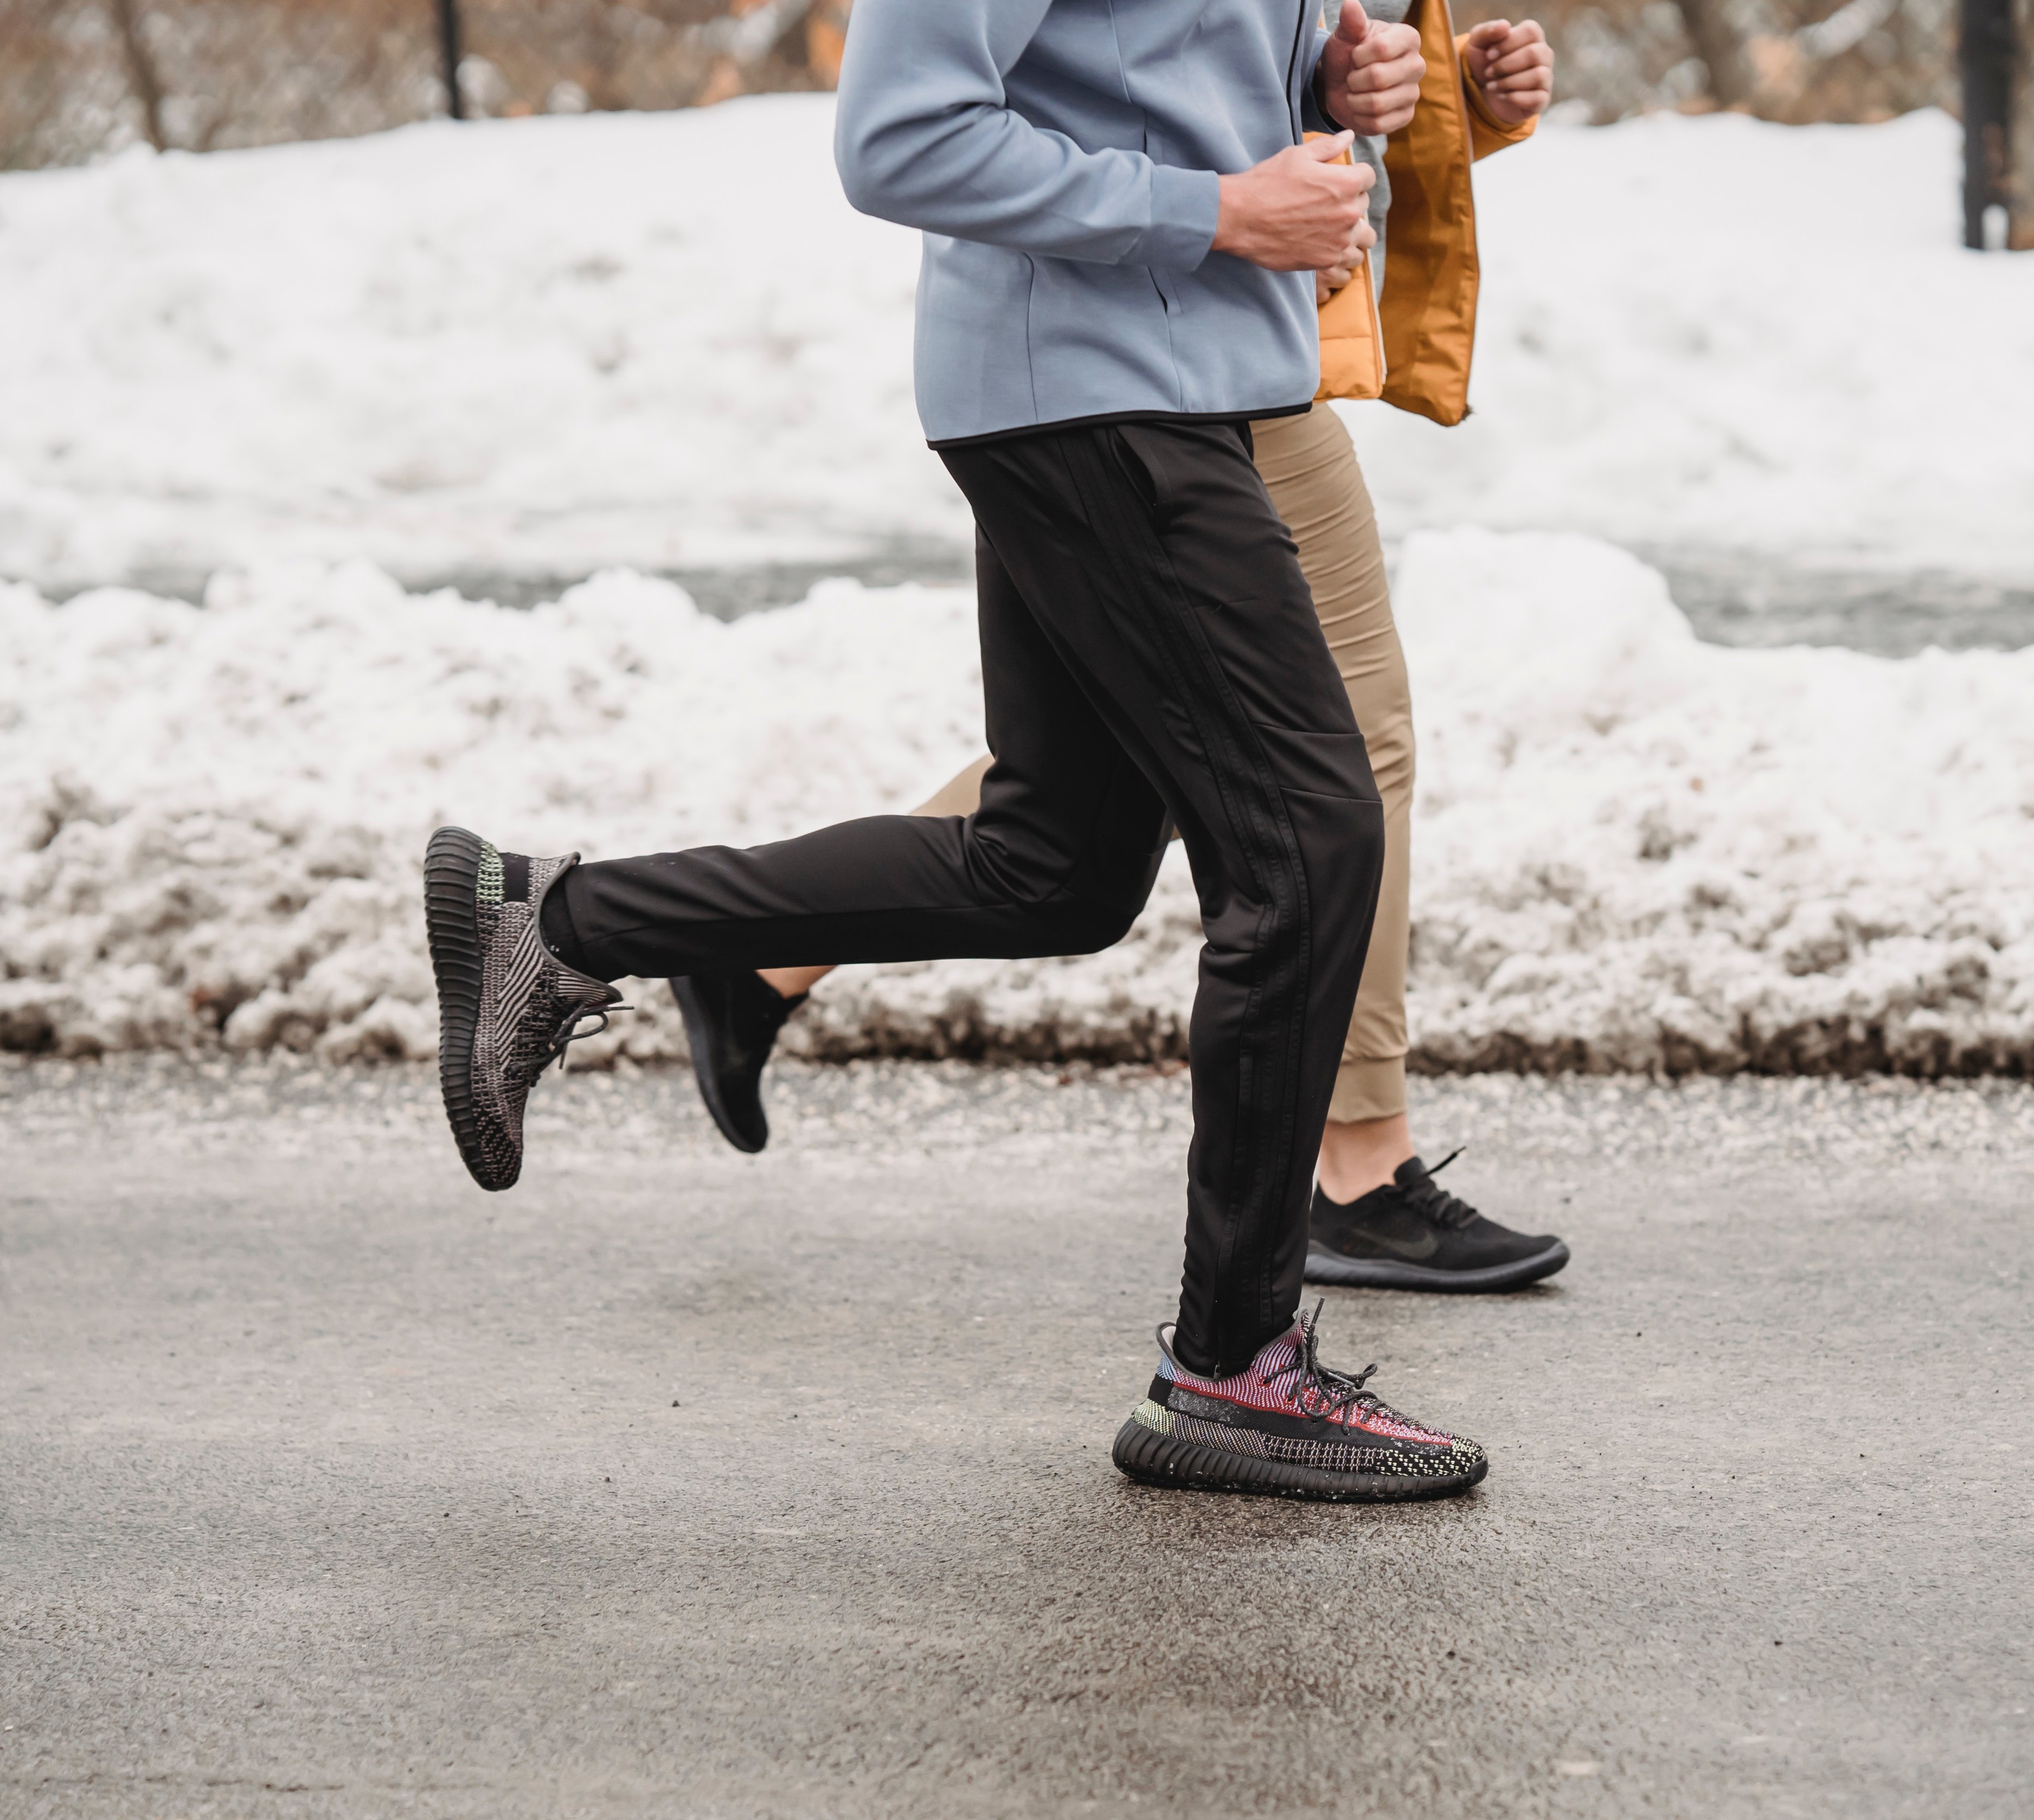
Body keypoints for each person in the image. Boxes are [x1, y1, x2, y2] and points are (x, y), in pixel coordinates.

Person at [425, 0, 1492, 1501]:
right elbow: (902, 135)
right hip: (1100, 392)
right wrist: (1219, 208)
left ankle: (559, 917)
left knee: (1051, 868)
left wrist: (1330, 74)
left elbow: (1147, 64)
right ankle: (1233, 1368)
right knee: (1310, 846)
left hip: (1174, 385)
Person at [672, 3, 1569, 1300]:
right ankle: (1347, 1182)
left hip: (1222, 347)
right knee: (1321, 764)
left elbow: (1194, 82)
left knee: (1129, 781)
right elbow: (918, 135)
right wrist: (1223, 209)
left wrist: (1410, 93)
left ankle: (734, 952)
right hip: (1128, 362)